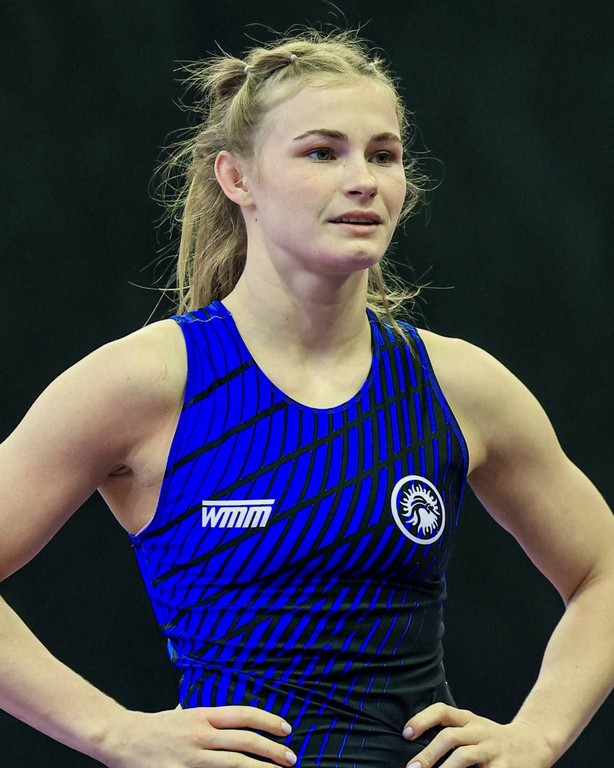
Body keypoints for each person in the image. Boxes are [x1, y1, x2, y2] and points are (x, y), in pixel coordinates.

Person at [0, 28, 613, 768]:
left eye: (383, 155)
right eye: (322, 153)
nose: (363, 180)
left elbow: (603, 572)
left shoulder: (457, 387)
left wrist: (539, 734)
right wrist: (110, 730)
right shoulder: (147, 382)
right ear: (238, 178)